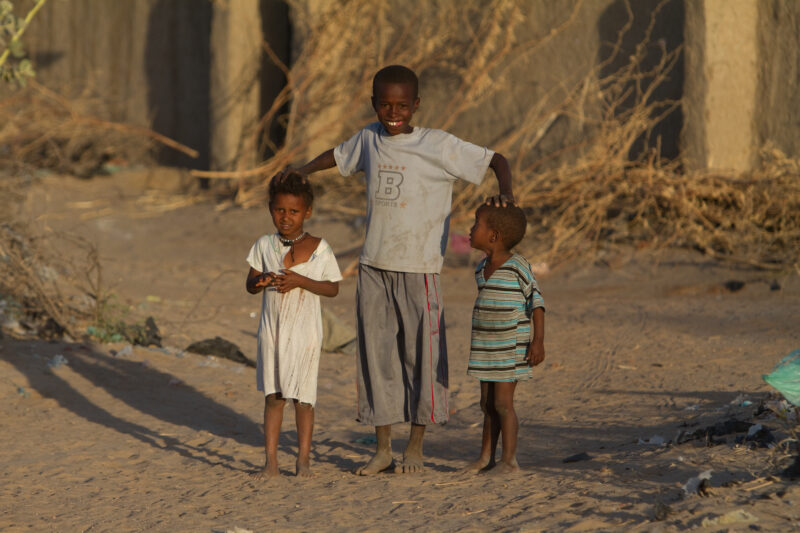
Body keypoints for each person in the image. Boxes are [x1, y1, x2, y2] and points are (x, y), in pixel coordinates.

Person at [277, 64, 514, 475]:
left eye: (402, 105)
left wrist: (507, 194)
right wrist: (302, 170)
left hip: (419, 269)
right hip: (373, 268)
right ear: (374, 104)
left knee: (419, 358)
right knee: (376, 358)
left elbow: (497, 160)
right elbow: (337, 155)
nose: (393, 112)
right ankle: (383, 449)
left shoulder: (438, 145)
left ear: (416, 105)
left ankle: (416, 449)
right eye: (385, 104)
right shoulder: (369, 138)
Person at [245, 173, 342, 479]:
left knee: (303, 398)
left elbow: (332, 288)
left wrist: (300, 280)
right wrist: (265, 280)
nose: (285, 218)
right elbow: (250, 284)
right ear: (270, 208)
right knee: (274, 397)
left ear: (307, 212)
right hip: (272, 331)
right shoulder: (264, 245)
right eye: (279, 210)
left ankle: (303, 462)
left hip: (305, 334)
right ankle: (270, 462)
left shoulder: (320, 248)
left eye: (293, 212)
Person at [464, 203, 545, 474]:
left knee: (503, 404)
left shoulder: (518, 266)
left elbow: (537, 302)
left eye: (477, 225)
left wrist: (537, 341)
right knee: (487, 405)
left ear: (494, 236)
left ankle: (509, 460)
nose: (471, 230)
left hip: (510, 347)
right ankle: (485, 457)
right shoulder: (480, 268)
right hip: (486, 347)